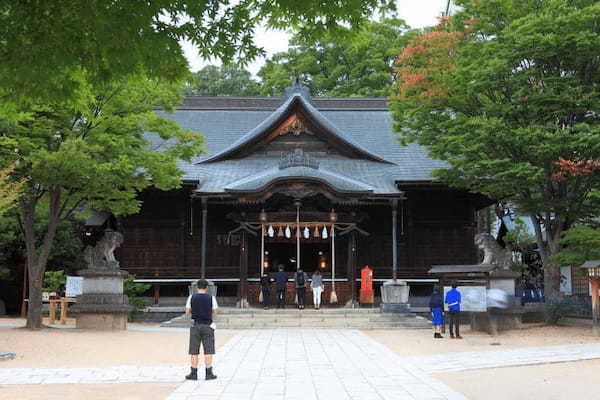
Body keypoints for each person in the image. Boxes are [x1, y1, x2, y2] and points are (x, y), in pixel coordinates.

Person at [185, 279, 218, 381]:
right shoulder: (211, 297)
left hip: (195, 325)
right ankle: (208, 373)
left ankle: (193, 373)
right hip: (208, 325)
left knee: (194, 350)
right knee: (208, 349)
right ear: (206, 287)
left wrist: (193, 311)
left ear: (197, 287)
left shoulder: (192, 297)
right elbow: (216, 311)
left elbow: (187, 311)